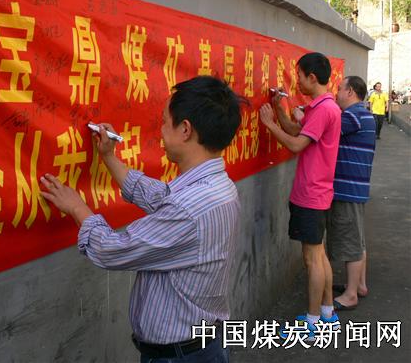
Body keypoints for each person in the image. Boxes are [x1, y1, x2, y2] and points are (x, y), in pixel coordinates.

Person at [40, 76, 244, 362]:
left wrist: (77, 207)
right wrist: (110, 158)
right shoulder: (217, 187)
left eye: (164, 122)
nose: (160, 130)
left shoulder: (189, 208)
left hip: (180, 356)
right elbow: (161, 197)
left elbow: (112, 249)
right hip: (202, 345)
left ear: (185, 130)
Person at [259, 52, 341, 340]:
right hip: (318, 192)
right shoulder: (323, 107)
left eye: (300, 76)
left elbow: (295, 144)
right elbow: (297, 130)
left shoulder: (324, 110)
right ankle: (327, 313)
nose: (297, 82)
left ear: (312, 77)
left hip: (311, 193)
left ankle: (312, 322)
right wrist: (279, 111)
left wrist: (270, 125)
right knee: (319, 254)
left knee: (311, 259)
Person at [327, 76, 376, 310]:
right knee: (357, 239)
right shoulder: (362, 114)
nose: (336, 93)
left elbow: (326, 129)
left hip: (348, 190)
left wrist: (301, 116)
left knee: (350, 242)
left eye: (339, 89)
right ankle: (359, 286)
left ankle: (350, 295)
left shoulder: (353, 116)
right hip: (355, 188)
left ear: (350, 92)